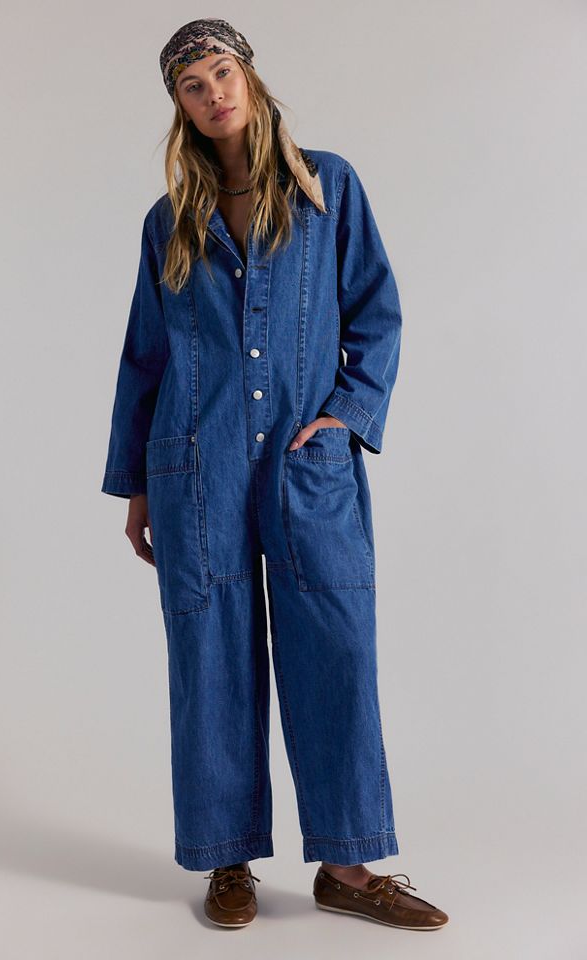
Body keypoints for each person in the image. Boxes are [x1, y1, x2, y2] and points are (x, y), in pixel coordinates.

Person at [101, 17, 448, 931]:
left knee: (337, 648)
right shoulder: (168, 222)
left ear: (249, 78)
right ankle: (228, 861)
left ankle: (348, 866)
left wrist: (349, 415)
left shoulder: (327, 186)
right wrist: (137, 483)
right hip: (196, 470)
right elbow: (144, 357)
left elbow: (376, 311)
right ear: (179, 106)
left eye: (222, 72)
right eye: (192, 85)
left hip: (307, 464)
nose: (213, 92)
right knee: (209, 657)